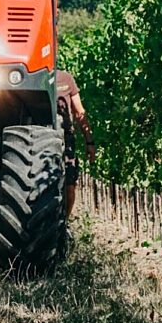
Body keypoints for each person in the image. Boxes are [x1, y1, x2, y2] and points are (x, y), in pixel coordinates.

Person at [56, 68, 94, 218]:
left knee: (69, 188)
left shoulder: (66, 79)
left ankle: (63, 225)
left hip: (66, 139)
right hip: (41, 136)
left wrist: (89, 141)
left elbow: (79, 112)